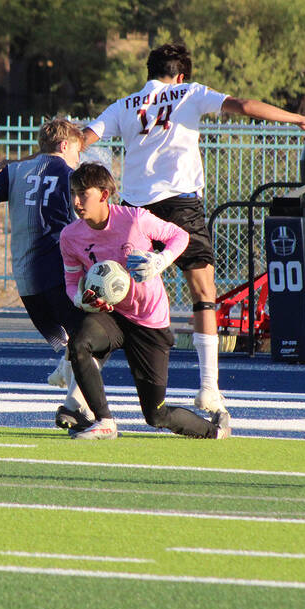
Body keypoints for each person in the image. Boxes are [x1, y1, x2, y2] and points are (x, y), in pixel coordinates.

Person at [81, 42, 305, 424]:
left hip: (133, 210)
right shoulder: (190, 93)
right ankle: (209, 388)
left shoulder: (123, 105)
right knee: (203, 293)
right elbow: (245, 106)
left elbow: (84, 138)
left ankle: (76, 391)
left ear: (149, 71)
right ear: (181, 76)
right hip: (180, 206)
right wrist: (298, 119)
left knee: (116, 293)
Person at [59, 162, 229, 440]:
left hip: (149, 320)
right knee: (79, 343)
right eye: (73, 193)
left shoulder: (135, 219)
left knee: (156, 414)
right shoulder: (70, 236)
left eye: (83, 194)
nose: (76, 202)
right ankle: (104, 422)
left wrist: (160, 261)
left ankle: (216, 430)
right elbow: (70, 281)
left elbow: (180, 235)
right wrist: (79, 298)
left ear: (104, 194)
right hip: (111, 316)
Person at [0, 117, 94, 430]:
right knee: (97, 334)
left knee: (75, 341)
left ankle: (74, 390)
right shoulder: (73, 175)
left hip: (27, 281)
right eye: (77, 149)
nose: (78, 156)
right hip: (62, 273)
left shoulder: (15, 171)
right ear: (64, 145)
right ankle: (76, 405)